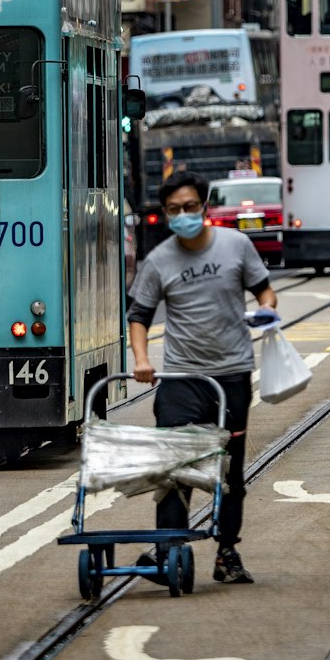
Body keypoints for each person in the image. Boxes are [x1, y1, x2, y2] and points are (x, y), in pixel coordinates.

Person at [128, 169, 278, 585]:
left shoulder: (236, 245)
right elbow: (138, 316)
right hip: (181, 378)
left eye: (190, 207)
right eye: (174, 210)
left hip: (231, 376)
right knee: (176, 466)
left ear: (204, 206)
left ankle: (227, 553)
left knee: (230, 471)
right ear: (165, 213)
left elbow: (263, 289)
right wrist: (142, 358)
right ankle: (169, 550)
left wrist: (268, 309)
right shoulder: (159, 260)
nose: (183, 215)